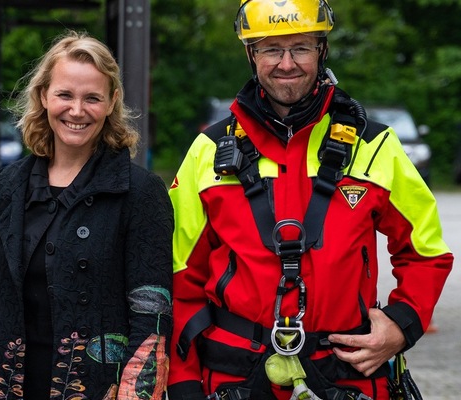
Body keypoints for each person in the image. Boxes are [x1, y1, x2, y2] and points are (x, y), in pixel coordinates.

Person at [167, 1, 453, 399]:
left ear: (322, 50)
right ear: (251, 54)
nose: (287, 63)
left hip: (347, 374)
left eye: (301, 47)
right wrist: (182, 385)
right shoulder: (208, 151)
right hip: (234, 379)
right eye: (271, 49)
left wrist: (402, 324)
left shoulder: (374, 146)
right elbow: (180, 278)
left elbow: (426, 251)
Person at [0, 30, 173, 399]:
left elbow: (151, 314)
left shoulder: (140, 192)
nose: (77, 110)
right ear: (43, 96)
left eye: (92, 98)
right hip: (9, 389)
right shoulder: (9, 186)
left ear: (112, 102)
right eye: (65, 95)